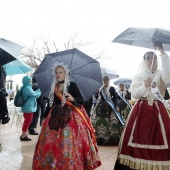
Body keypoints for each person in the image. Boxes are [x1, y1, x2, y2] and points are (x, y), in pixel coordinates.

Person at [32, 62, 101, 170]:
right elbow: (51, 103)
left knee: (68, 142)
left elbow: (84, 101)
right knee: (51, 141)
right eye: (56, 72)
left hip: (71, 118)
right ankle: (52, 163)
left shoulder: (72, 85)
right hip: (55, 117)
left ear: (66, 74)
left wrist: (74, 99)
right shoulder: (54, 87)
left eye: (61, 72)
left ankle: (69, 163)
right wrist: (44, 117)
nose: (58, 74)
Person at [114, 43, 170, 169]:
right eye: (148, 58)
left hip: (159, 111)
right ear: (144, 61)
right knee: (137, 138)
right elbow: (134, 94)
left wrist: (161, 52)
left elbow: (168, 76)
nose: (151, 60)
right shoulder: (139, 76)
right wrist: (145, 85)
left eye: (153, 57)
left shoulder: (162, 73)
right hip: (141, 111)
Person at [91, 76, 121, 145]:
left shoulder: (112, 88)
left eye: (106, 80)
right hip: (101, 107)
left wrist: (116, 106)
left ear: (108, 80)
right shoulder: (100, 88)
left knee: (113, 120)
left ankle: (112, 138)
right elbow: (96, 97)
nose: (105, 81)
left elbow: (115, 98)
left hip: (110, 107)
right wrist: (96, 93)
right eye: (104, 80)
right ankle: (100, 137)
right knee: (98, 121)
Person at [20, 76, 41, 141]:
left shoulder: (24, 87)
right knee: (27, 121)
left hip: (26, 107)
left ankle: (23, 134)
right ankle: (23, 136)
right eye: (30, 80)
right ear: (28, 81)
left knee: (26, 121)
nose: (31, 81)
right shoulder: (27, 88)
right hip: (29, 108)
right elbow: (35, 95)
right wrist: (39, 90)